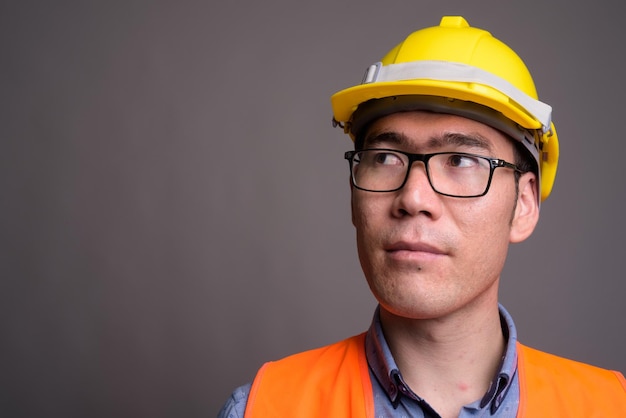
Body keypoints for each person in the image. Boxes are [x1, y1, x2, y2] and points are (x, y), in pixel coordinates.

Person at [218, 16, 626, 417]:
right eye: (385, 158)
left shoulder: (610, 407)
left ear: (523, 204)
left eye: (461, 159)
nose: (413, 197)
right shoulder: (262, 408)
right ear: (353, 198)